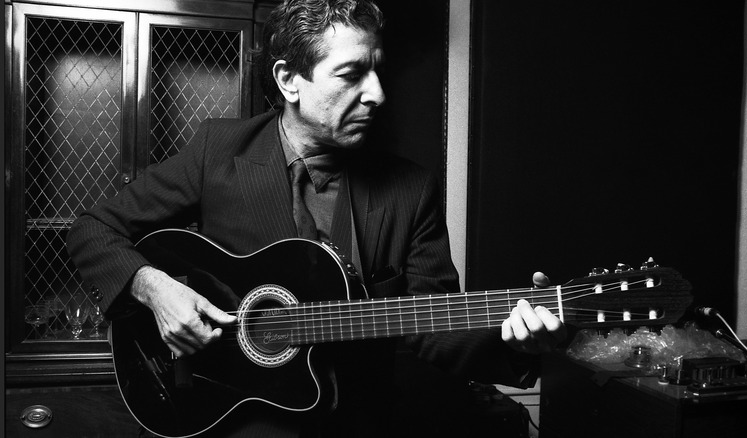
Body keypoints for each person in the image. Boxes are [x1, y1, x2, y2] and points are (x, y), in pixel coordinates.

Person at [66, 0, 566, 436]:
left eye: (378, 72)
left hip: (359, 423)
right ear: (289, 80)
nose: (377, 95)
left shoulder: (411, 189)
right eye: (351, 75)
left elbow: (431, 322)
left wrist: (518, 344)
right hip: (226, 418)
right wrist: (155, 288)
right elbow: (93, 228)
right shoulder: (217, 151)